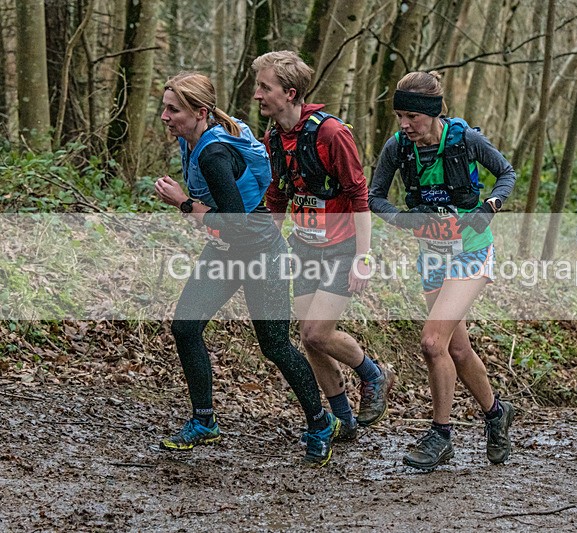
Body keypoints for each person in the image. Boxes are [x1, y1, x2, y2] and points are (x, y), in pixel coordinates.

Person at [155, 72, 340, 466]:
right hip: (225, 251)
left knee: (275, 346)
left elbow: (235, 221)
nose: (164, 116)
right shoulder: (196, 140)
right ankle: (204, 421)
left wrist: (183, 203)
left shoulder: (213, 152)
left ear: (200, 112)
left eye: (173, 109)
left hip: (260, 255)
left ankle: (321, 423)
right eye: (164, 107)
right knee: (185, 326)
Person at [369, 71, 516, 471]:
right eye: (399, 115)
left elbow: (507, 174)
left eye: (411, 117)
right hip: (432, 256)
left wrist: (489, 208)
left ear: (432, 114)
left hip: (470, 252)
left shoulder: (466, 139)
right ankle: (496, 413)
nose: (404, 125)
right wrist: (403, 220)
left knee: (433, 342)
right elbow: (374, 197)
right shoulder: (397, 148)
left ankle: (440, 434)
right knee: (456, 347)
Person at [251, 51, 394, 441]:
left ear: (290, 92)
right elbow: (278, 197)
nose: (257, 94)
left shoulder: (331, 134)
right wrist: (264, 247)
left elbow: (359, 194)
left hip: (341, 246)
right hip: (304, 246)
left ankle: (374, 374)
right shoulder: (274, 138)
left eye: (265, 87)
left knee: (316, 332)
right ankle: (344, 420)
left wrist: (363, 257)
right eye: (258, 86)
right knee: (309, 339)